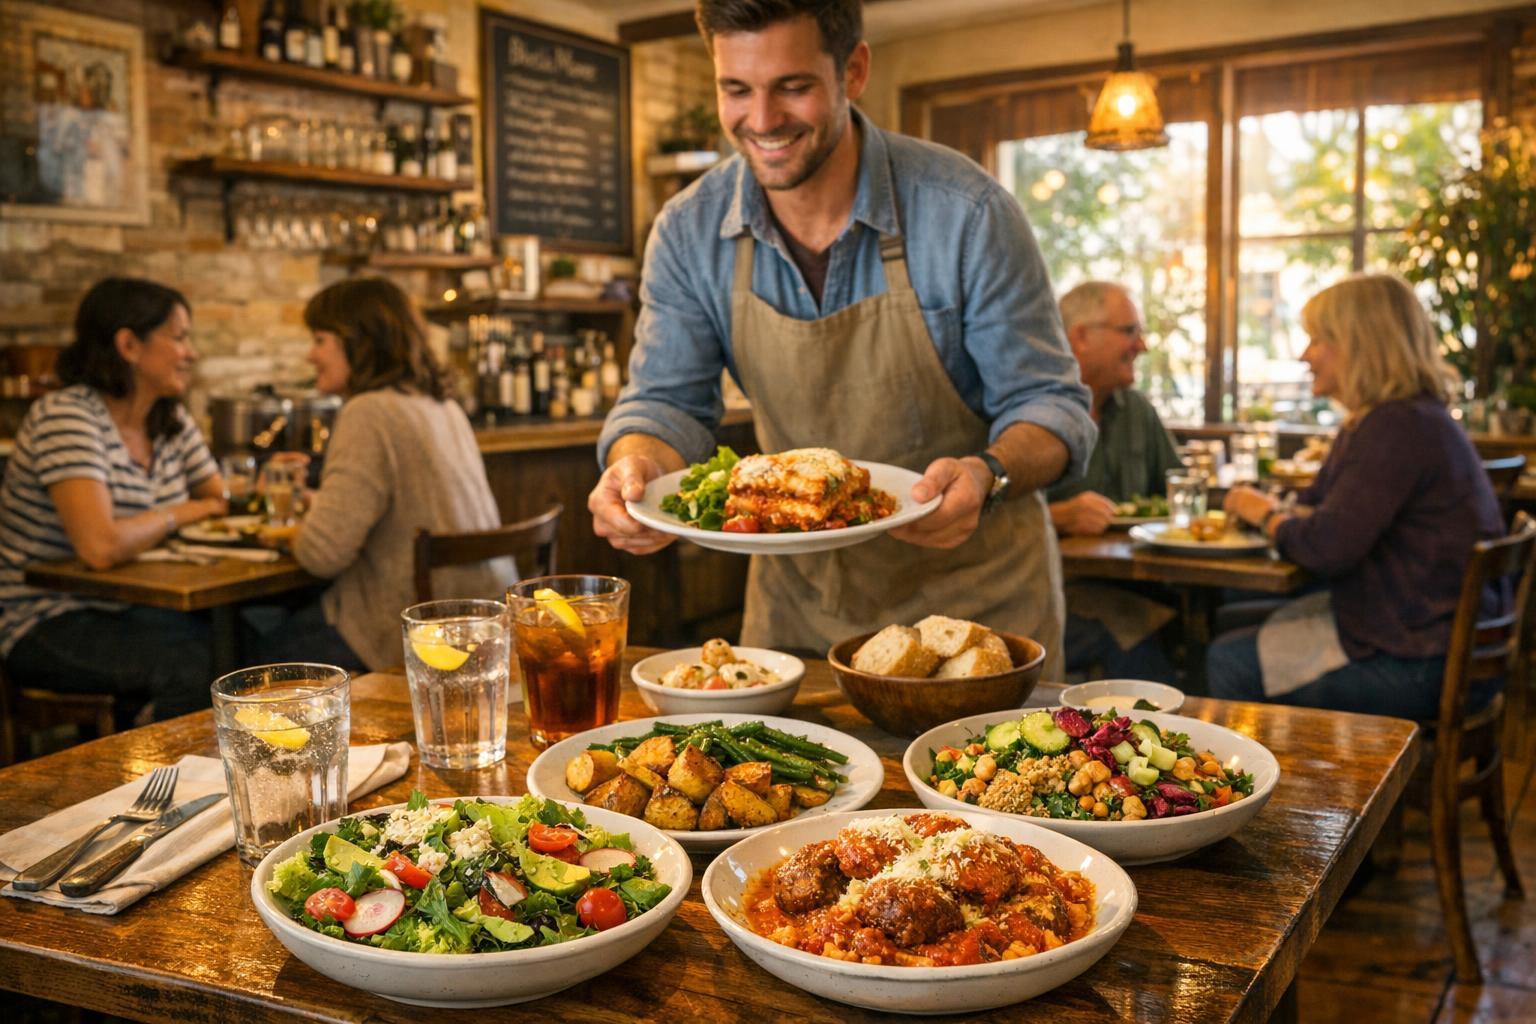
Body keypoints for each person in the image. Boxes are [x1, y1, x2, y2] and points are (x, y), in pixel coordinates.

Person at [588, 0, 1094, 670]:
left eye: (792, 86)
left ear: (853, 70)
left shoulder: (967, 213)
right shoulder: (688, 231)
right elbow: (665, 403)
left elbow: (1051, 407)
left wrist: (989, 473)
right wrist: (637, 467)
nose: (762, 119)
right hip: (799, 618)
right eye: (736, 89)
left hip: (973, 618)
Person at [1208, 274, 1505, 719]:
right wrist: (1281, 513)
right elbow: (1319, 503)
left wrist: (1265, 514)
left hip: (1423, 659)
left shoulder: (1397, 427)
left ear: (1359, 344)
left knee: (1227, 661)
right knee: (1230, 613)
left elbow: (1327, 548)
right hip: (1420, 634)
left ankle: (1273, 767)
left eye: (1316, 340)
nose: (1304, 355)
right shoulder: (1394, 419)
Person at [243, 277, 513, 671]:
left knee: (252, 656)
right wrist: (317, 504)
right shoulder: (443, 406)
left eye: (319, 340)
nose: (310, 355)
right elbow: (405, 513)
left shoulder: (367, 412)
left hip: (411, 632)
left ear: (359, 341)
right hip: (483, 622)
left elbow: (321, 554)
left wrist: (286, 531)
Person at [0, 277, 227, 721]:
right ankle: (153, 763)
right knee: (195, 664)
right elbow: (100, 547)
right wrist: (190, 510)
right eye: (179, 338)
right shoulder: (67, 416)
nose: (191, 353)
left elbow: (221, 496)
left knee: (244, 638)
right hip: (44, 617)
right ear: (129, 345)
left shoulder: (168, 417)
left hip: (133, 606)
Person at [1046, 282, 1182, 682]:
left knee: (1206, 614)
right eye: (1129, 331)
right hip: (1055, 592)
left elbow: (1178, 492)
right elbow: (990, 519)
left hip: (1140, 584)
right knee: (1133, 637)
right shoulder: (1034, 418)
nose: (1142, 345)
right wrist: (1057, 516)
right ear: (1080, 337)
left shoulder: (1138, 410)